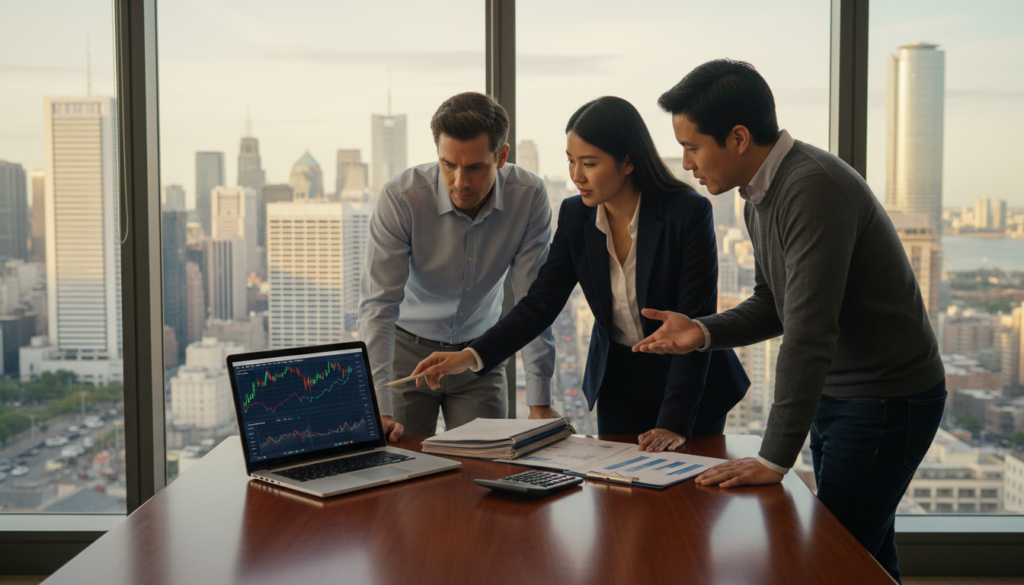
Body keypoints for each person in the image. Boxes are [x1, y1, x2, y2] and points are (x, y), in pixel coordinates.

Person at [634, 60, 945, 583]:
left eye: (692, 147)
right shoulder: (759, 194)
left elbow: (807, 334)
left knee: (833, 560)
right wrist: (703, 332)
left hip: (886, 400)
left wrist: (774, 459)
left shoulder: (811, 188)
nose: (685, 163)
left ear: (737, 138)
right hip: (845, 395)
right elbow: (775, 302)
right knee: (862, 556)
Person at [411, 97, 749, 451]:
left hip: (692, 387)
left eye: (589, 163)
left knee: (687, 496)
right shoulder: (577, 215)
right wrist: (467, 357)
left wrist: (674, 423)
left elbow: (696, 323)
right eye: (571, 161)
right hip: (620, 381)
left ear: (629, 161)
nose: (576, 176)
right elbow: (540, 304)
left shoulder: (687, 214)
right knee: (621, 493)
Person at [357, 92, 557, 442]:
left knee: (485, 473)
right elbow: (378, 306)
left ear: (502, 156)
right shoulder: (402, 198)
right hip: (406, 358)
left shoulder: (529, 197)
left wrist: (539, 400)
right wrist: (381, 405)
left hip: (480, 354)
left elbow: (533, 302)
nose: (460, 182)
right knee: (400, 473)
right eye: (448, 165)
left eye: (475, 167)